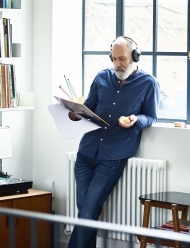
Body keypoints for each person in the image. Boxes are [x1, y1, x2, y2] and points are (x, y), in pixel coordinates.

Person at [68, 36, 160, 248]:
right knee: (83, 210)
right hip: (86, 151)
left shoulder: (149, 83)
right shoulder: (102, 77)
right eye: (114, 59)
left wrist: (137, 120)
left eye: (123, 58)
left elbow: (151, 117)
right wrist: (75, 113)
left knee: (89, 209)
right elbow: (88, 108)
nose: (118, 64)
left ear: (135, 57)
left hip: (113, 156)